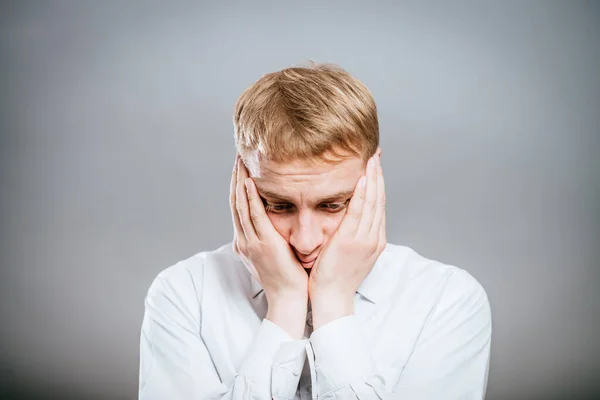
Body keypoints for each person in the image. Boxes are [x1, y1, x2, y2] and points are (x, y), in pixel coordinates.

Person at [138, 63, 492, 399]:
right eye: (278, 205)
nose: (305, 241)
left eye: (332, 205)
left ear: (373, 179)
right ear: (243, 183)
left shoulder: (447, 301)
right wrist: (285, 305)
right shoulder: (183, 295)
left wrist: (334, 303)